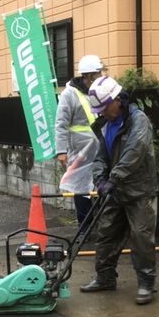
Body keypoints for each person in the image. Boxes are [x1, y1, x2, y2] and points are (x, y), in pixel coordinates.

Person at [79, 76, 158, 305]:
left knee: (141, 238)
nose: (101, 112)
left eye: (104, 107)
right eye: (99, 109)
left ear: (117, 101)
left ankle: (146, 283)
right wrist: (100, 179)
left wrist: (113, 178)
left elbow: (134, 152)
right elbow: (101, 155)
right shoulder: (105, 124)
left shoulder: (138, 121)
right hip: (115, 189)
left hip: (139, 190)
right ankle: (105, 278)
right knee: (106, 233)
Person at [54, 55, 104, 238]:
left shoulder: (99, 90)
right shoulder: (70, 94)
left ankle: (101, 226)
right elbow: (61, 123)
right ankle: (85, 228)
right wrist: (61, 151)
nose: (100, 76)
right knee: (81, 189)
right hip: (80, 150)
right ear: (89, 75)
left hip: (100, 147)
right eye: (98, 73)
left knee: (100, 185)